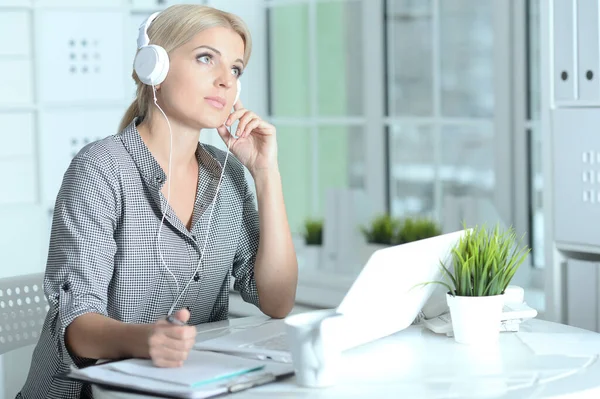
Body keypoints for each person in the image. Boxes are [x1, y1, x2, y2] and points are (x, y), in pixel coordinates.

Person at [17, 4, 298, 398]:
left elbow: (277, 300)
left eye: (235, 69)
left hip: (183, 388)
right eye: (206, 59)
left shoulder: (229, 175)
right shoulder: (100, 169)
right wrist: (145, 340)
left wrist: (266, 173)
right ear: (156, 68)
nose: (225, 81)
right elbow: (76, 326)